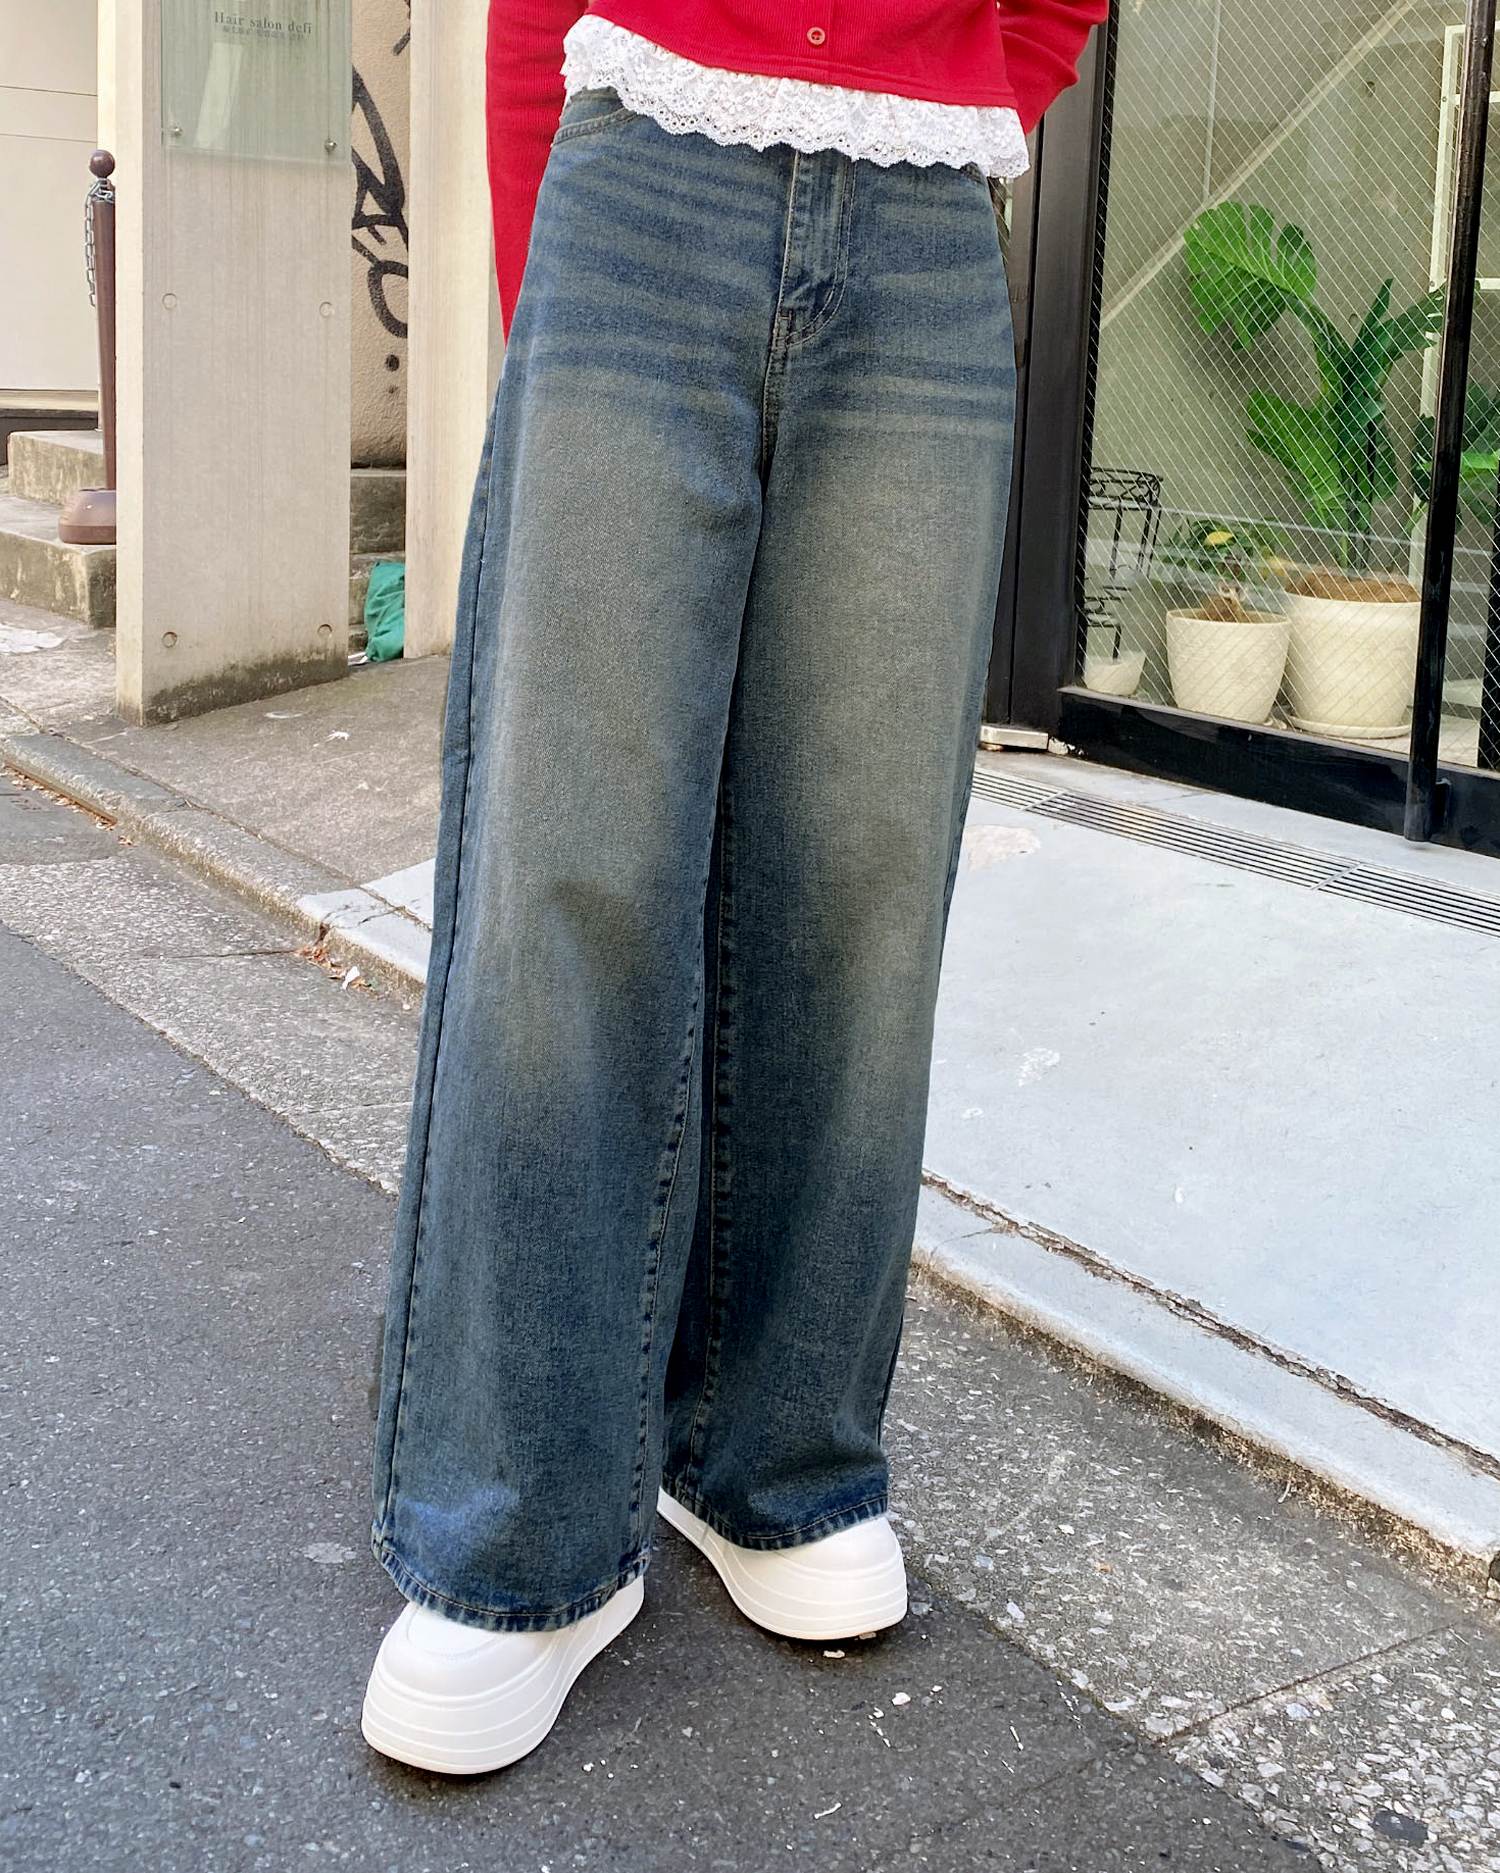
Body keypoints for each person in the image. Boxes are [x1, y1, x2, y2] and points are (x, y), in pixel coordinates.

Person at [362, 0, 1106, 1776]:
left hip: (927, 219)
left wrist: (946, 86)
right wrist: (558, 276)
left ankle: (774, 1453)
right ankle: (520, 1523)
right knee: (572, 861)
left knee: (861, 876)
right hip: (646, 161)